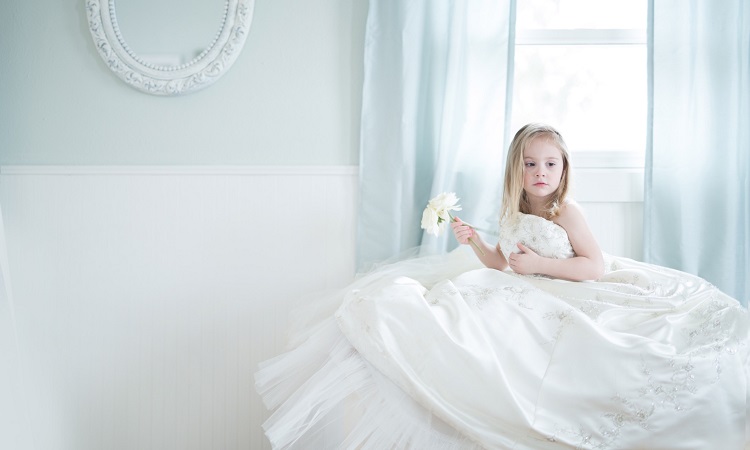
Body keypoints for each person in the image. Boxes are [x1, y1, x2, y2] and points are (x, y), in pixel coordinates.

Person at [256, 124, 749, 449]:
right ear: (518, 168)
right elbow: (503, 264)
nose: (540, 173)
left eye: (550, 164)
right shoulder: (513, 211)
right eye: (531, 164)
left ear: (563, 169)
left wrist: (539, 264)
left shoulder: (566, 212)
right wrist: (474, 243)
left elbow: (593, 267)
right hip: (528, 284)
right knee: (463, 314)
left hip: (570, 284)